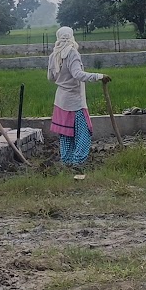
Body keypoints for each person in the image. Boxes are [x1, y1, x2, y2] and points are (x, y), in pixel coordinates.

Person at [47, 26, 110, 179]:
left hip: (60, 100)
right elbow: (77, 74)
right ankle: (78, 162)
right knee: (84, 132)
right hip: (75, 101)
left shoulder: (54, 55)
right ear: (71, 37)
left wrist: (62, 77)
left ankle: (66, 161)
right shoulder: (72, 53)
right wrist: (99, 76)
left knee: (66, 133)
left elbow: (50, 77)